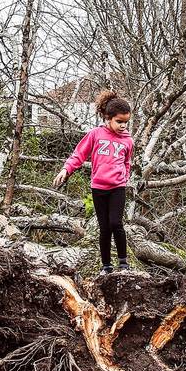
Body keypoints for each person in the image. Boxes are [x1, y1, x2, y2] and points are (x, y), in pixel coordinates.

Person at [53, 91, 135, 277]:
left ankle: (123, 263)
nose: (123, 126)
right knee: (104, 227)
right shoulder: (95, 135)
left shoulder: (128, 141)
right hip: (98, 188)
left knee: (116, 223)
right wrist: (66, 170)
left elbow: (127, 162)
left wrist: (125, 177)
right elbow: (78, 155)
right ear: (108, 118)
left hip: (117, 187)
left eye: (126, 122)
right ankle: (106, 265)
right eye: (119, 122)